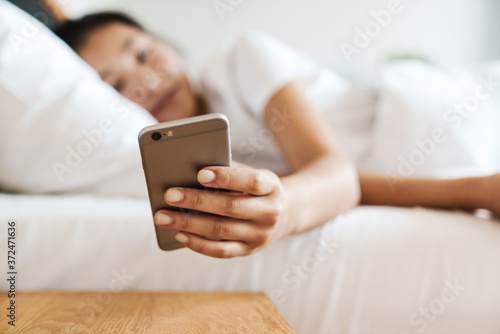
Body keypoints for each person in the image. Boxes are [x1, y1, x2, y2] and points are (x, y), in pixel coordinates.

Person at [54, 13, 499, 258]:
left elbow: (334, 174)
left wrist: (286, 208)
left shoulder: (238, 60)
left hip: (446, 111)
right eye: (115, 85)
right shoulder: (184, 161)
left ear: (164, 40)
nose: (147, 81)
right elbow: (348, 187)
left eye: (144, 53)